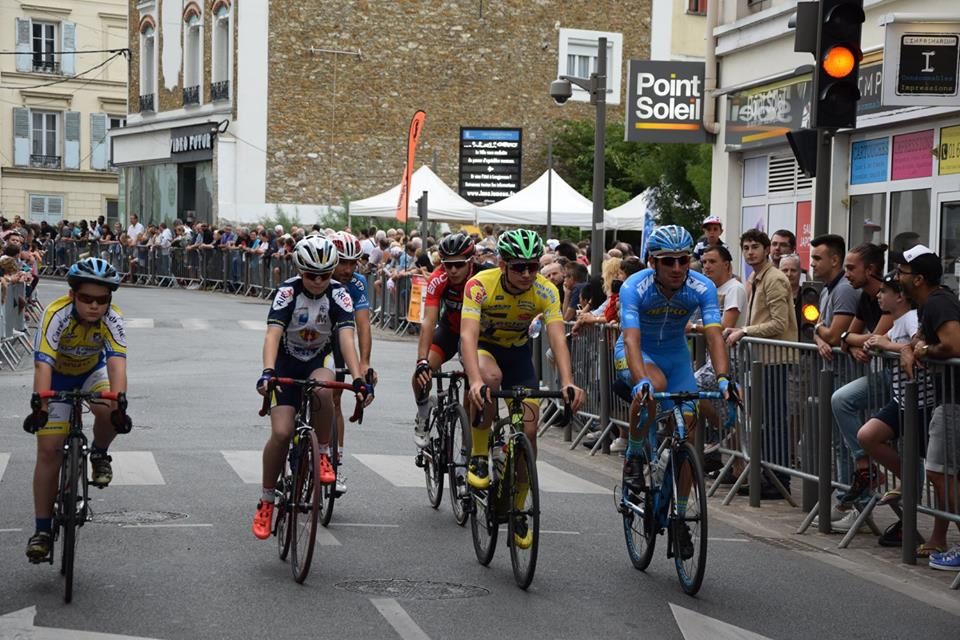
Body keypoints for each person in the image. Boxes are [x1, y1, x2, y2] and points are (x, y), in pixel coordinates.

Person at [616, 225, 736, 559]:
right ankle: (634, 455)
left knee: (689, 421)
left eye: (684, 260)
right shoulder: (633, 287)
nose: (678, 269)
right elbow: (631, 339)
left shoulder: (702, 287)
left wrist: (724, 377)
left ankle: (680, 514)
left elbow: (714, 334)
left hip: (676, 358)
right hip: (639, 353)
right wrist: (639, 379)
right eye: (668, 262)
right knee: (653, 387)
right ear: (652, 262)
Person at [460, 229, 585, 549]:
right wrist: (473, 380)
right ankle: (478, 453)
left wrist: (568, 381)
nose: (528, 273)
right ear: (502, 265)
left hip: (518, 355)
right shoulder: (479, 285)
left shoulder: (545, 290)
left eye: (532, 266)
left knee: (528, 431)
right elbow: (468, 338)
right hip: (484, 350)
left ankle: (518, 507)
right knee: (489, 381)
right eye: (519, 267)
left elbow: (558, 337)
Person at [251, 236, 373, 540]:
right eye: (311, 275)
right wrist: (267, 372)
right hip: (286, 363)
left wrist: (358, 378)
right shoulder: (287, 292)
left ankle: (322, 453)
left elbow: (347, 337)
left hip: (318, 359)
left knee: (323, 390)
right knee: (281, 433)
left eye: (324, 275)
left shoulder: (339, 294)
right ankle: (266, 501)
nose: (318, 281)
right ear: (300, 271)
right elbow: (272, 335)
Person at [22, 258, 130, 563]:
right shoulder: (55, 314)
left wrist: (120, 404)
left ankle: (99, 453)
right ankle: (42, 531)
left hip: (91, 373)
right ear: (73, 296)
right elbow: (43, 364)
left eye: (102, 300)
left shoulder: (113, 319)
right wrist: (41, 406)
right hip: (55, 376)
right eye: (86, 298)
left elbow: (117, 365)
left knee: (110, 407)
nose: (95, 306)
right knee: (48, 450)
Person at [857, 270, 933, 546]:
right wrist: (873, 343)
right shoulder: (897, 320)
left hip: (922, 404)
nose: (878, 296)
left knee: (935, 468)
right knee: (867, 435)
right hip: (900, 400)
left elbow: (917, 345)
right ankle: (907, 478)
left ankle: (922, 511)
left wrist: (889, 345)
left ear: (900, 296)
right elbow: (883, 341)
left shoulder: (912, 319)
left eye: (884, 292)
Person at [897, 245, 960, 569]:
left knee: (938, 472)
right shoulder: (929, 303)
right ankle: (939, 537)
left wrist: (923, 351)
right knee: (944, 472)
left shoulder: (938, 302)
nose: (897, 278)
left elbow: (953, 344)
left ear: (918, 279)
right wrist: (912, 349)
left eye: (903, 273)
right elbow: (917, 339)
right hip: (946, 399)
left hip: (954, 401)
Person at [724, 229, 797, 497]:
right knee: (763, 419)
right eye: (746, 247)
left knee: (775, 420)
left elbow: (780, 323)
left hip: (775, 360)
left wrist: (745, 331)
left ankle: (779, 480)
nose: (750, 251)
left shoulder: (775, 279)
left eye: (755, 246)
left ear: (767, 250)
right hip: (760, 359)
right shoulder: (756, 278)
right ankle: (767, 475)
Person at [831, 243, 893, 508]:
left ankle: (869, 468)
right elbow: (847, 338)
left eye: (851, 268)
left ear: (871, 269)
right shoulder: (864, 297)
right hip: (888, 377)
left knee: (842, 400)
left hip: (902, 380)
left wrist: (852, 339)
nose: (846, 274)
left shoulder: (888, 296)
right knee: (840, 399)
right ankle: (864, 464)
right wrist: (851, 340)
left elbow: (874, 339)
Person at [412, 233, 482, 446]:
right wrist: (422, 361)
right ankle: (423, 415)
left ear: (471, 261)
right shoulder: (438, 279)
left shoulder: (484, 277)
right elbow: (428, 321)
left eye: (459, 265)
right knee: (420, 376)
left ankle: (467, 446)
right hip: (450, 332)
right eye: (447, 264)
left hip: (477, 336)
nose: (452, 270)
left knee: (474, 391)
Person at [327, 231, 376, 496]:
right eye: (342, 262)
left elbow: (363, 324)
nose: (347, 269)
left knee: (334, 400)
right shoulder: (317, 276)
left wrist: (365, 362)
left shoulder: (356, 284)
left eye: (352, 263)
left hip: (339, 340)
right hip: (314, 338)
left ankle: (336, 463)